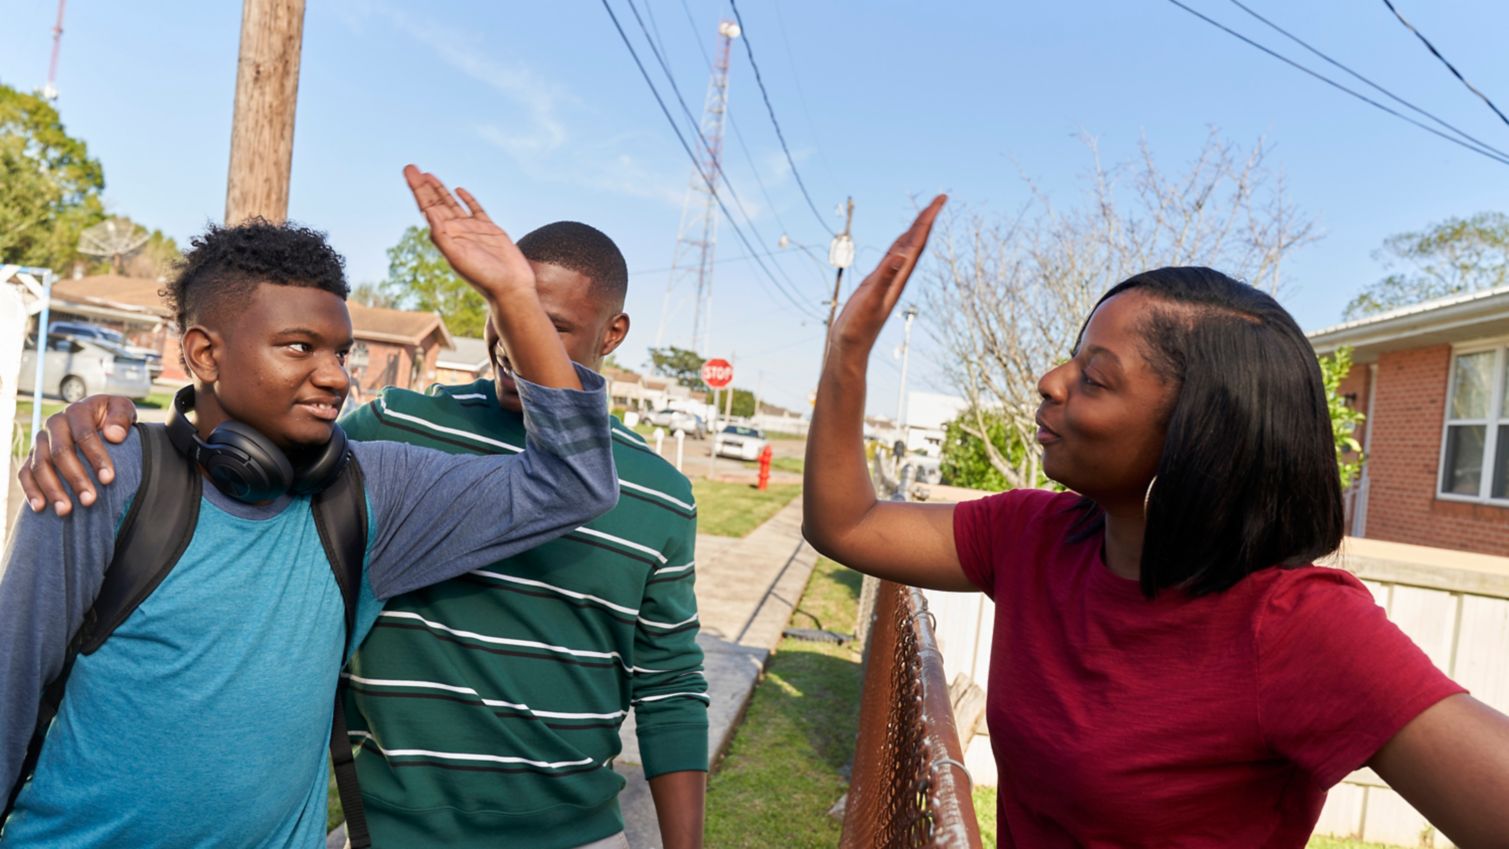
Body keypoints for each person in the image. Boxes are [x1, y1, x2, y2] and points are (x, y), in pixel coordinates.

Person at [800, 196, 1509, 847]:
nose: (1051, 380)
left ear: (1196, 434)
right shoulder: (1030, 538)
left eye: (1094, 375)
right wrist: (847, 355)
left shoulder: (1295, 627)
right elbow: (849, 523)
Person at [20, 224, 707, 848]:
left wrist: (512, 293)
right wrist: (92, 416)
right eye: (302, 347)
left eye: (342, 353)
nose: (336, 376)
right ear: (202, 352)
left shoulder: (374, 487)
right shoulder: (109, 473)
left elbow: (581, 487)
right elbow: (11, 683)